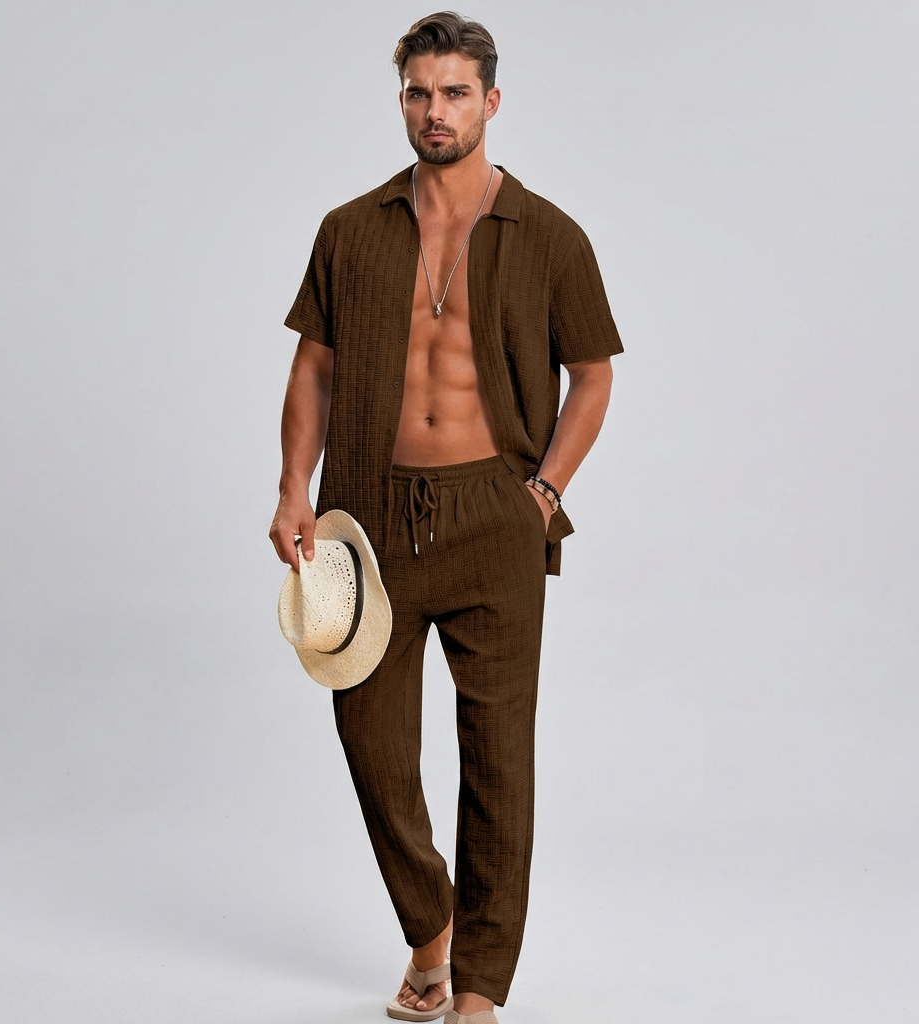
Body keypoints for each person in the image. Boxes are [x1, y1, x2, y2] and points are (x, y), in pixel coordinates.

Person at [270, 12, 623, 1022]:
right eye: (420, 93)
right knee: (372, 744)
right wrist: (293, 488)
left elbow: (593, 374)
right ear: (402, 102)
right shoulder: (350, 230)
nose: (436, 111)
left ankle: (477, 987)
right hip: (369, 520)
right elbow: (314, 369)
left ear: (490, 102)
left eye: (455, 93)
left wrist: (543, 493)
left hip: (495, 514)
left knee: (498, 760)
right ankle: (430, 931)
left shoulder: (549, 235)